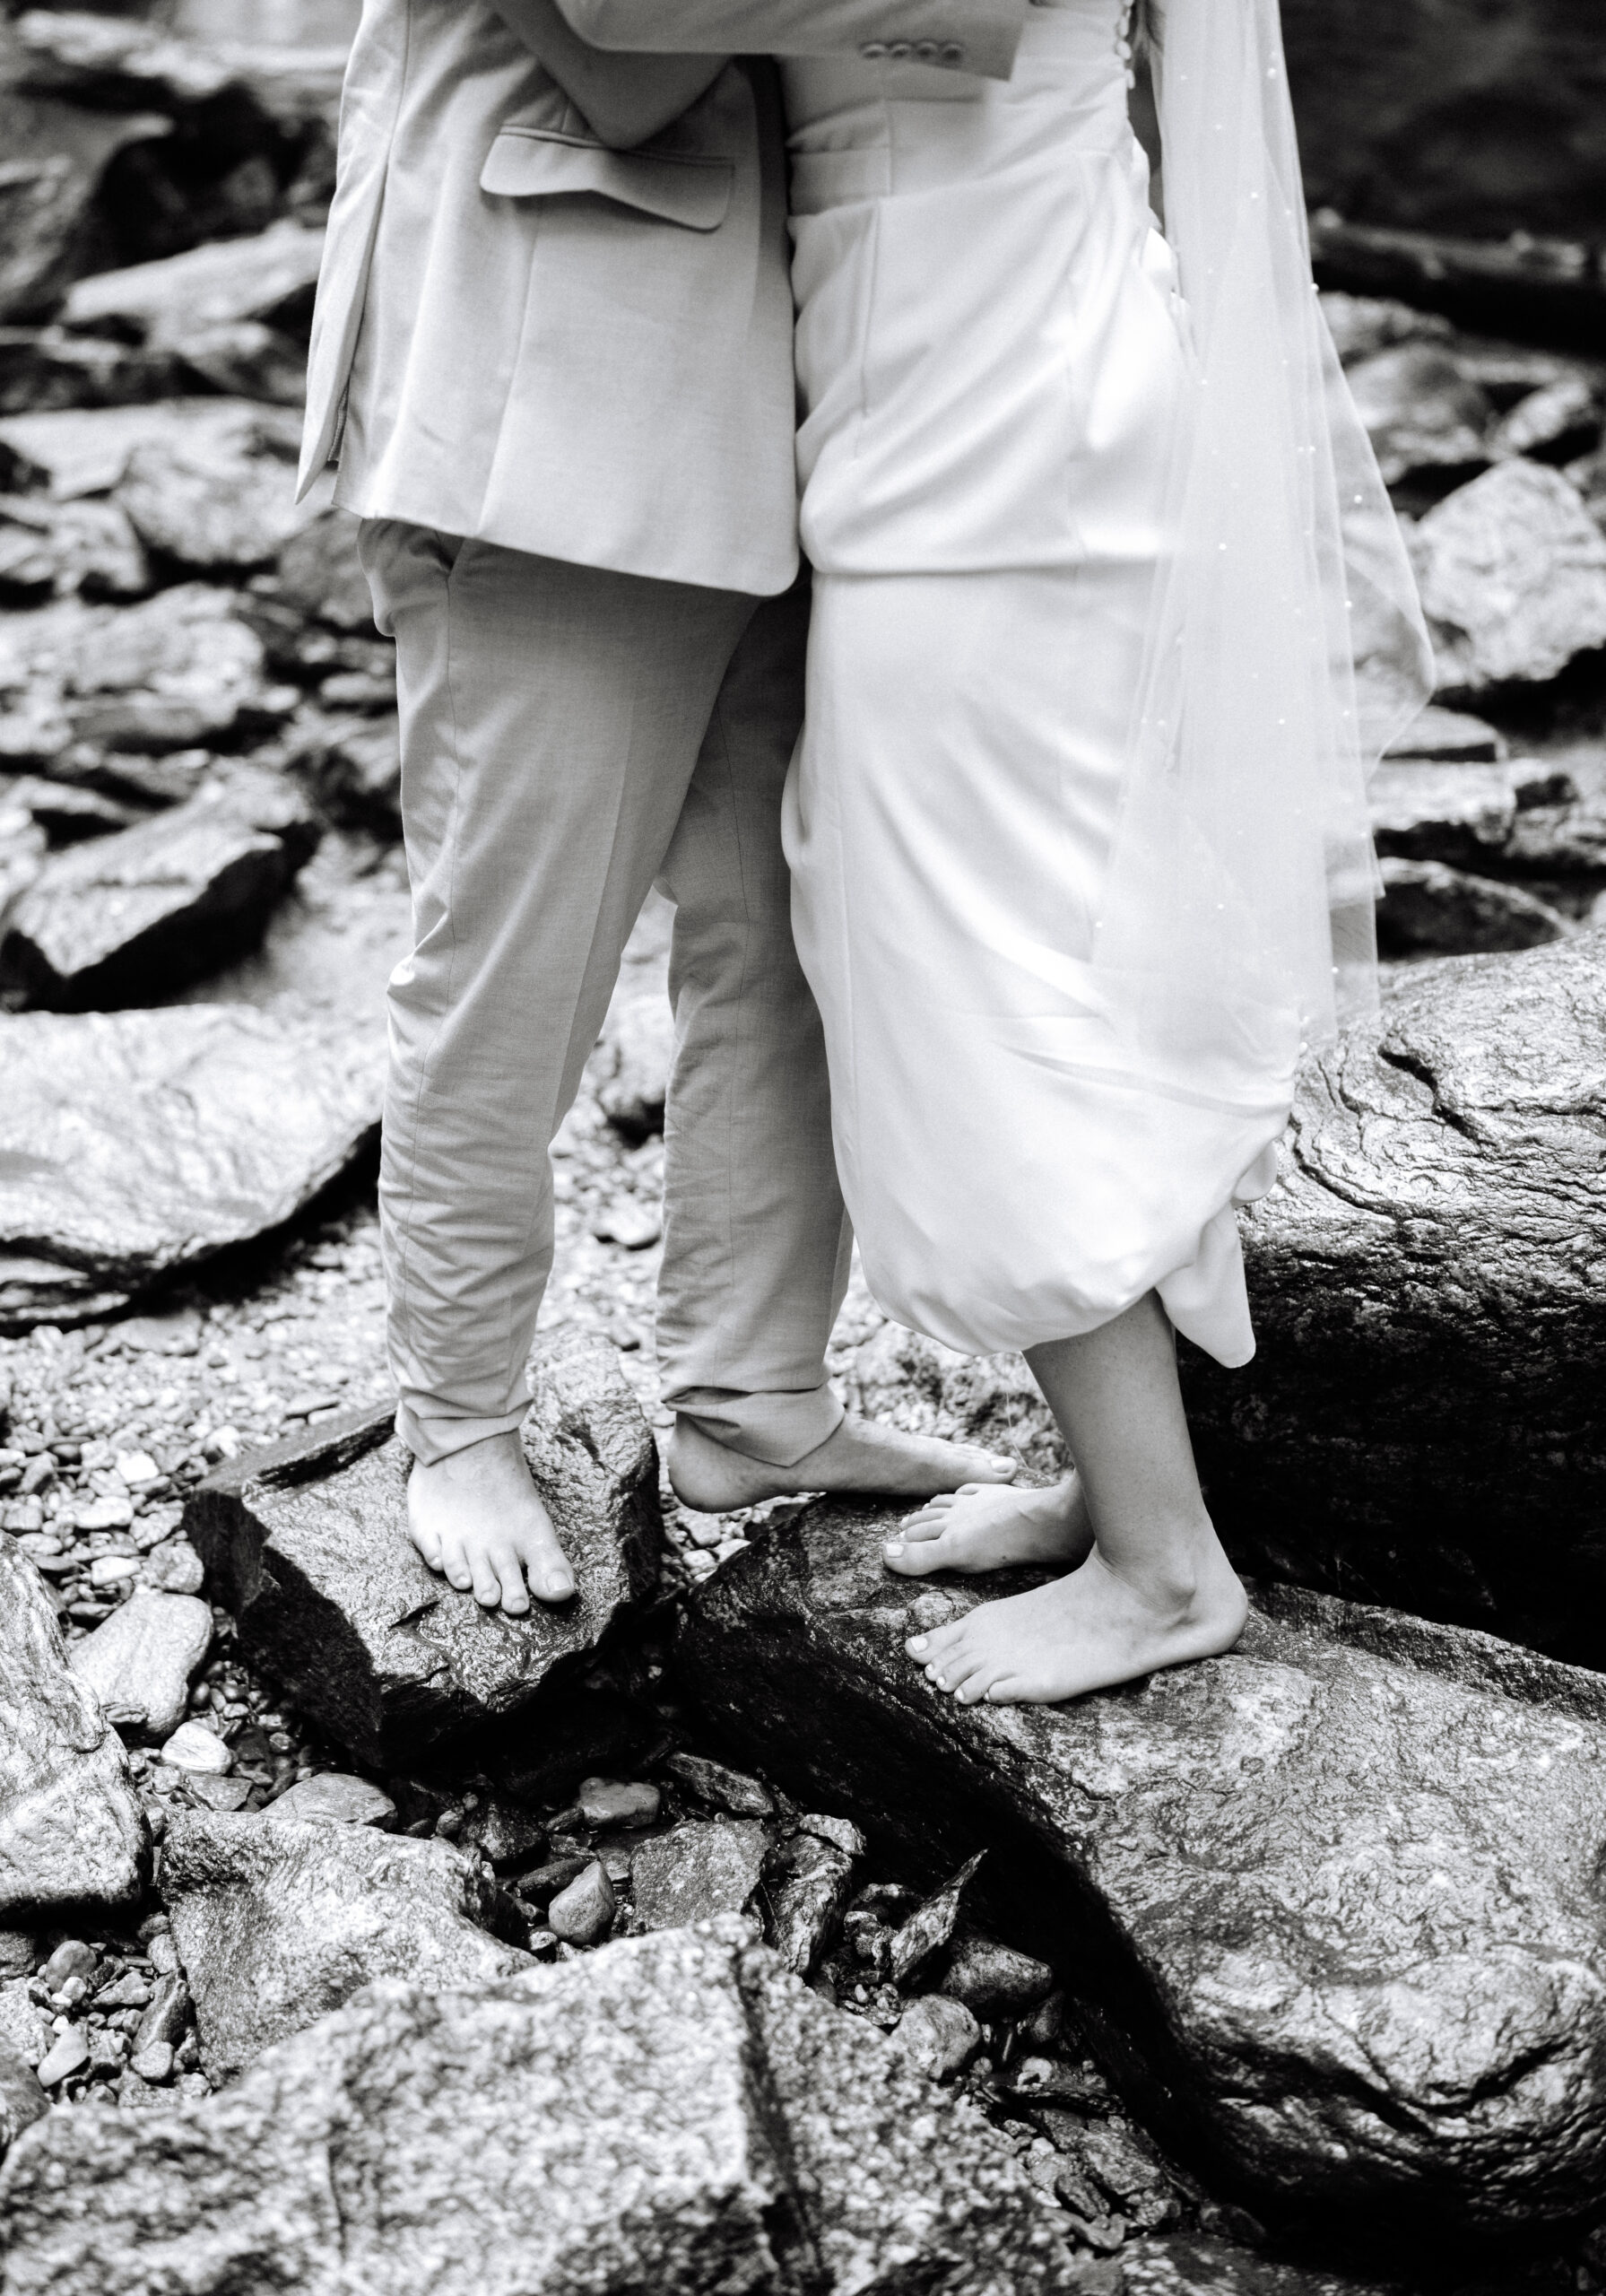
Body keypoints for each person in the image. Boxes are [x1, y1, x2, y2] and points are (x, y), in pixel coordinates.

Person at [559, 0, 1429, 1700]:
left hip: (1001, 437)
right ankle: (1115, 1491)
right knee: (1022, 939)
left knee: (970, 966)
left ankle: (1170, 1572)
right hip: (960, 393)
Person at [297, 0, 1039, 1616]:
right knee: (518, 964)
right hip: (552, 408)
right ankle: (462, 1415)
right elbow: (627, 65)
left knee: (791, 945)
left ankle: (752, 1395)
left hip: (783, 403)